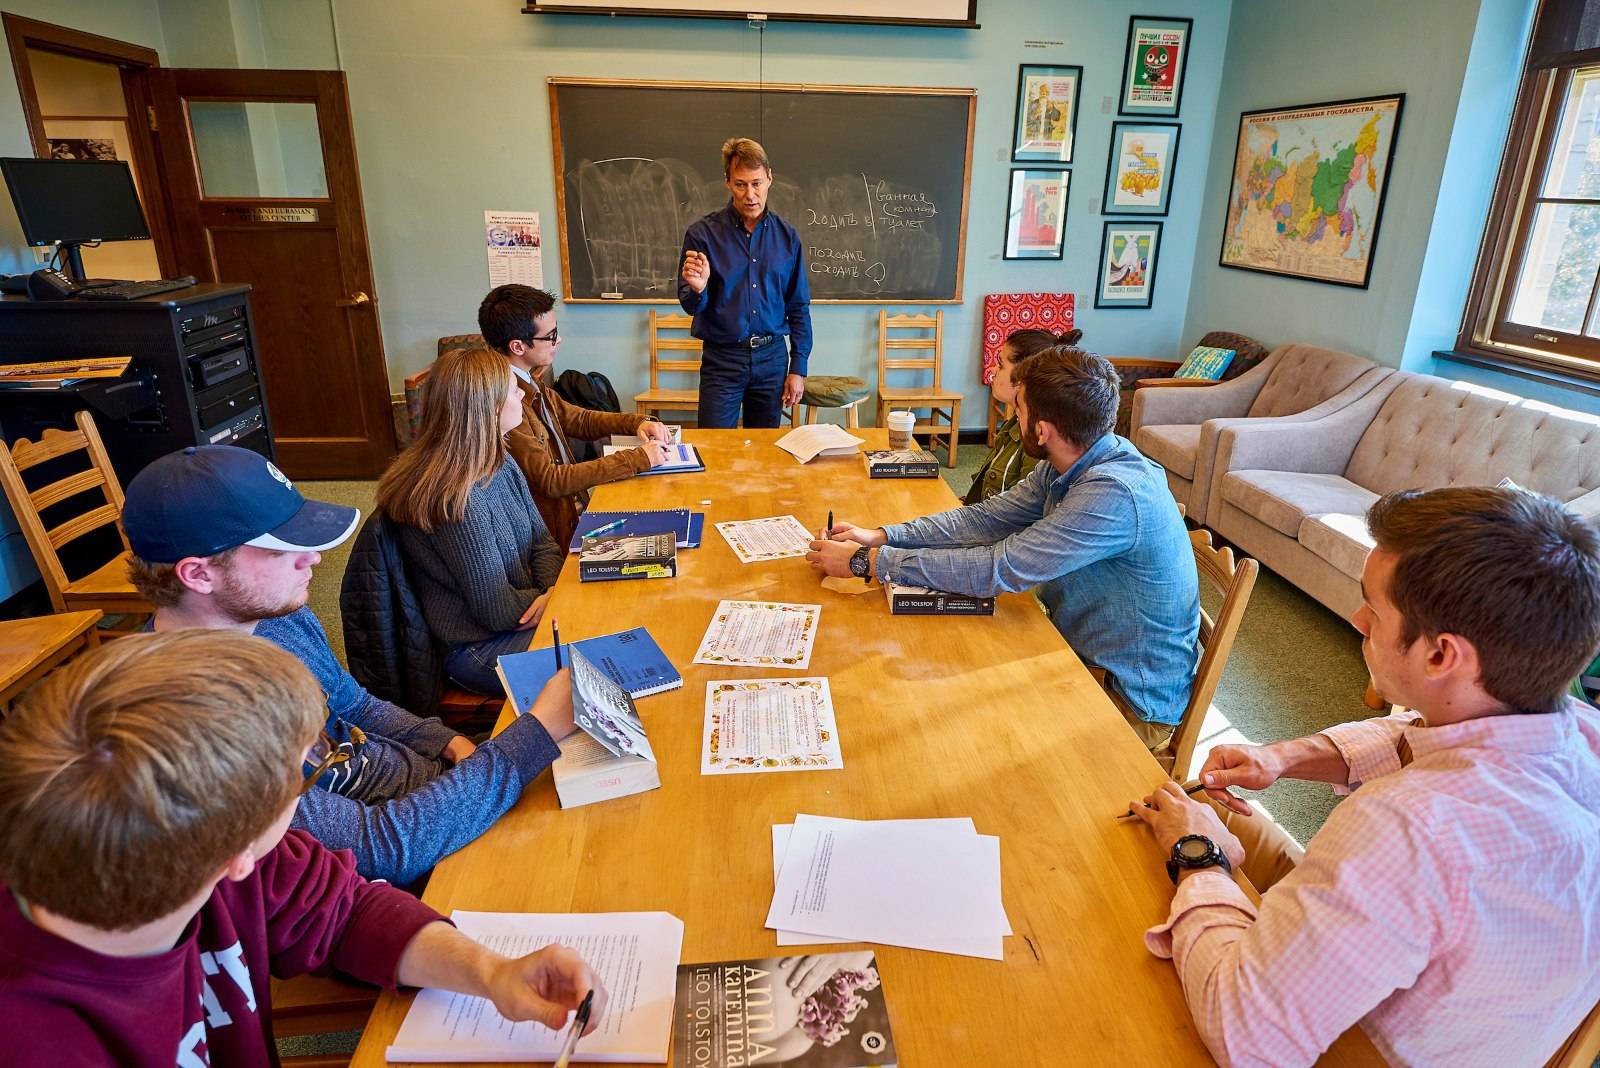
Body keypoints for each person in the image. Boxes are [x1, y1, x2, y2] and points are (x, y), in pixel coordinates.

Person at [1127, 486, 1600, 1066]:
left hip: (1342, 1043)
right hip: (1483, 1015)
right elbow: (1412, 733)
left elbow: (1243, 1033)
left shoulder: (1406, 828)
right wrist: (1283, 757)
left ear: (1441, 655)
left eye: (1373, 609)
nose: (1357, 619)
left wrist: (1198, 857)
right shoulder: (1573, 727)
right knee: (1210, 817)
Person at [0, 629, 607, 1065]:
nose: (307, 788)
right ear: (236, 856)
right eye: (305, 776)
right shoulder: (35, 1037)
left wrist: (491, 971)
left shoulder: (198, 855)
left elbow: (347, 911)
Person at [122, 443, 575, 887]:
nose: (313, 558)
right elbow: (379, 849)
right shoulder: (192, 730)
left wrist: (448, 742)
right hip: (412, 857)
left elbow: (354, 704)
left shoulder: (275, 616)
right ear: (199, 574)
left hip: (439, 790)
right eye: (280, 549)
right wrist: (533, 735)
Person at [807, 346, 1199, 745]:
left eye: (1020, 409)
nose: (1014, 415)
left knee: (937, 719)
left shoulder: (1113, 494)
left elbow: (997, 569)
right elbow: (985, 519)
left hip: (1126, 700)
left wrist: (868, 562)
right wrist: (882, 535)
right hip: (1079, 653)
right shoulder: (1079, 457)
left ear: (1042, 431)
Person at [378, 346, 565, 695]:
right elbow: (497, 610)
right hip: (479, 647)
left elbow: (542, 542)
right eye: (513, 389)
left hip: (518, 616)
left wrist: (553, 591)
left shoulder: (498, 459)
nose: (522, 394)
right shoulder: (457, 498)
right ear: (489, 408)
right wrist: (553, 599)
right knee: (603, 657)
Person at [478, 284, 676, 547]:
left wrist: (637, 421)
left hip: (572, 512)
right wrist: (637, 458)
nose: (558, 340)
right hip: (554, 534)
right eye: (550, 336)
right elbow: (550, 480)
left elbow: (580, 420)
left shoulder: (529, 381)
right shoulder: (508, 405)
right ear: (517, 346)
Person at [679, 136, 811, 429]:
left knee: (764, 449)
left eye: (756, 183)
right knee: (714, 446)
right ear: (727, 182)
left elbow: (799, 306)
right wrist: (698, 290)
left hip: (772, 359)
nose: (750, 194)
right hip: (722, 360)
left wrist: (798, 368)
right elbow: (690, 304)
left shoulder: (788, 238)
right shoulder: (702, 235)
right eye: (740, 184)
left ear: (769, 179)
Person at [965, 327, 1083, 504]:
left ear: (1023, 378)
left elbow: (1025, 510)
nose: (993, 370)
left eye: (1001, 365)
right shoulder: (1015, 422)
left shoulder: (1039, 439)